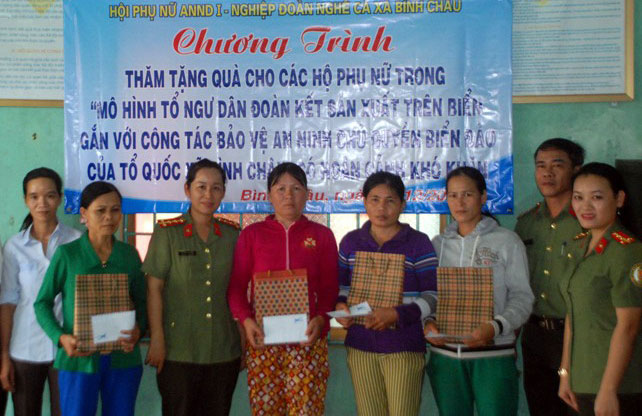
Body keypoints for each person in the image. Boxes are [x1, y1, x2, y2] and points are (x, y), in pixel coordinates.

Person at [227, 162, 339, 415]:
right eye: (281, 189)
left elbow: (330, 287)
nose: (289, 195)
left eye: (296, 188)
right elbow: (236, 287)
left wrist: (321, 319)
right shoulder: (252, 235)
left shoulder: (322, 235)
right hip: (263, 341)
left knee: (307, 410)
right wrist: (246, 321)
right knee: (266, 409)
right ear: (269, 195)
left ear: (307, 195)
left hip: (308, 341)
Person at [425, 167, 533, 416]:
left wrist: (495, 327)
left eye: (468, 194)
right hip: (445, 357)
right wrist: (428, 322)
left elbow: (522, 297)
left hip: (493, 355)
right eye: (453, 195)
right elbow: (430, 294)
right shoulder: (437, 245)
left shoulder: (507, 241)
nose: (459, 202)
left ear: (483, 196)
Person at [34, 181, 146, 416]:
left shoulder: (129, 255)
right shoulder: (68, 254)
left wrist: (138, 330)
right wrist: (60, 337)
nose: (109, 217)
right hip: (78, 359)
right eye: (100, 210)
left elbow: (143, 303)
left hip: (123, 359)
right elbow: (42, 303)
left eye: (115, 210)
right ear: (84, 214)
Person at [143, 159, 243, 416]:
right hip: (178, 349)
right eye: (201, 187)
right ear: (187, 189)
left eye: (216, 188)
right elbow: (154, 289)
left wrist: (243, 342)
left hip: (224, 348)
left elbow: (241, 290)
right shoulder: (167, 233)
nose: (208, 195)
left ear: (223, 192)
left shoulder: (232, 235)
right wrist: (157, 339)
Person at [334, 171, 437, 416]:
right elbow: (342, 288)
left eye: (390, 200)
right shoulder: (350, 242)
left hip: (404, 345)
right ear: (364, 202)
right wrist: (340, 306)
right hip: (360, 345)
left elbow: (432, 296)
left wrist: (397, 314)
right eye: (375, 200)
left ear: (402, 204)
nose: (382, 208)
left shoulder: (418, 243)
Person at [558, 163, 642, 416]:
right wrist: (565, 374)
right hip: (581, 380)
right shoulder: (579, 246)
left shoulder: (627, 252)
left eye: (596, 197)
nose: (585, 206)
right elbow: (573, 316)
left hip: (618, 385)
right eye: (578, 197)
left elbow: (628, 326)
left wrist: (608, 390)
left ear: (619, 199)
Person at [0, 168, 81, 416]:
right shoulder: (14, 247)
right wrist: (4, 356)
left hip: (67, 347)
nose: (42, 203)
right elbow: (8, 302)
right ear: (25, 200)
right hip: (24, 348)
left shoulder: (77, 241)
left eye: (50, 195)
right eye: (34, 197)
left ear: (60, 198)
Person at [515, 138, 586, 416]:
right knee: (541, 408)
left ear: (576, 169)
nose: (547, 173)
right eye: (540, 166)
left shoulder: (587, 220)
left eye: (557, 165)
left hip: (579, 336)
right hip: (535, 336)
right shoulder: (526, 223)